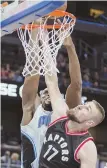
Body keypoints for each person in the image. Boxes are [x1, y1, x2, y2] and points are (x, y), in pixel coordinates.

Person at [21, 21, 82, 168]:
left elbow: (76, 86)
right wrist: (35, 31)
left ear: (59, 97)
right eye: (44, 92)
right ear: (39, 96)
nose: (48, 94)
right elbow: (32, 75)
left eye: (51, 92)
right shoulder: (31, 111)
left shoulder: (67, 114)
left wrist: (70, 47)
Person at [38, 36, 105, 168]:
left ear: (90, 123)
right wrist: (43, 40)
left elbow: (77, 84)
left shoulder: (87, 147)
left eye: (87, 109)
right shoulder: (60, 114)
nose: (81, 106)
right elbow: (51, 80)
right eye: (85, 105)